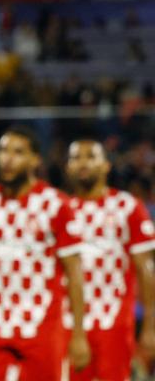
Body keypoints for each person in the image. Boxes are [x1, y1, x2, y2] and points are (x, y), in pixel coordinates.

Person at [0, 125, 89, 380]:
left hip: (43, 323)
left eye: (18, 152)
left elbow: (75, 274)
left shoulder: (55, 204)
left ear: (35, 159)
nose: (8, 158)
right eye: (3, 151)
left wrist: (78, 333)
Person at [64, 139, 155, 381]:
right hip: (68, 322)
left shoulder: (127, 206)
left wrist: (150, 324)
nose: (83, 163)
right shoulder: (58, 209)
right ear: (67, 167)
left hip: (113, 319)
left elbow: (146, 267)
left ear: (106, 165)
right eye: (76, 157)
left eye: (90, 156)